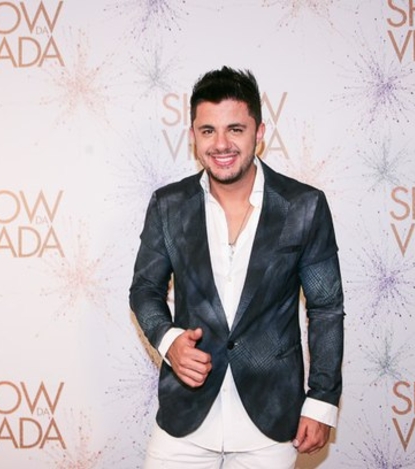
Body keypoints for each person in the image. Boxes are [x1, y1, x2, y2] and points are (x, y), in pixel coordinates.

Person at [129, 66, 345, 468]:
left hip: (271, 420)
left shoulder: (304, 206)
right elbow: (144, 290)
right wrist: (169, 340)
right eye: (208, 130)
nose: (221, 144)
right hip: (185, 418)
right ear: (193, 137)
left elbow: (326, 309)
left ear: (259, 133)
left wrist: (321, 399)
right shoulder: (168, 205)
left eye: (235, 129)